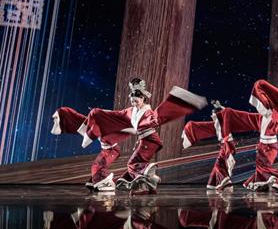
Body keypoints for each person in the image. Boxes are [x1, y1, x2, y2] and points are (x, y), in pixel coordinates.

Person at [52, 78, 207, 192]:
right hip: (144, 141)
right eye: (132, 101)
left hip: (150, 140)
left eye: (136, 101)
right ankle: (148, 182)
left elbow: (157, 118)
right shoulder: (131, 111)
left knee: (133, 164)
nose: (134, 103)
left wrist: (180, 101)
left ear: (143, 98)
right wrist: (98, 114)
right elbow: (117, 116)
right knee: (129, 170)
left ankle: (147, 173)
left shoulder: (147, 112)